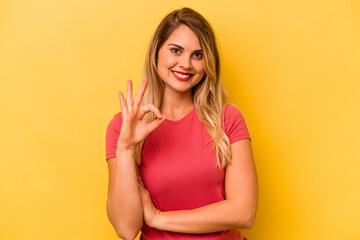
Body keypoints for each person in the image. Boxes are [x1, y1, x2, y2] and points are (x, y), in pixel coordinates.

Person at [105, 7, 258, 240]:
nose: (185, 63)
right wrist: (125, 148)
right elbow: (126, 229)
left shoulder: (227, 118)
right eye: (176, 50)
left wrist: (158, 218)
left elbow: (244, 213)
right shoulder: (124, 127)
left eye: (197, 55)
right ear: (156, 53)